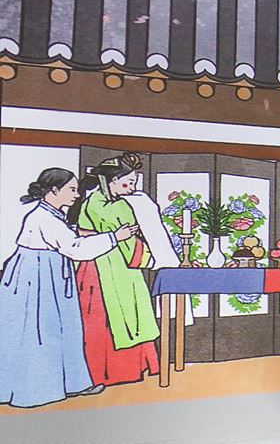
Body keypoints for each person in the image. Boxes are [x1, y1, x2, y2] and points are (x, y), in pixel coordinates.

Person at [0, 169, 136, 408]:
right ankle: (39, 390)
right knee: (41, 331)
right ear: (54, 191)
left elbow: (68, 238)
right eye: (71, 189)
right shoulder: (44, 218)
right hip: (38, 278)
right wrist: (114, 237)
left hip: (46, 273)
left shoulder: (50, 215)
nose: (76, 194)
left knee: (65, 328)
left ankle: (72, 383)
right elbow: (75, 249)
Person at [69, 153, 160, 386]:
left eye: (134, 183)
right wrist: (153, 257)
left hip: (109, 266)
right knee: (108, 319)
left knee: (118, 317)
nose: (132, 188)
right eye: (127, 183)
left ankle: (111, 373)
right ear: (110, 181)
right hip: (105, 268)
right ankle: (113, 373)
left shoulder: (98, 202)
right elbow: (128, 242)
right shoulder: (109, 206)